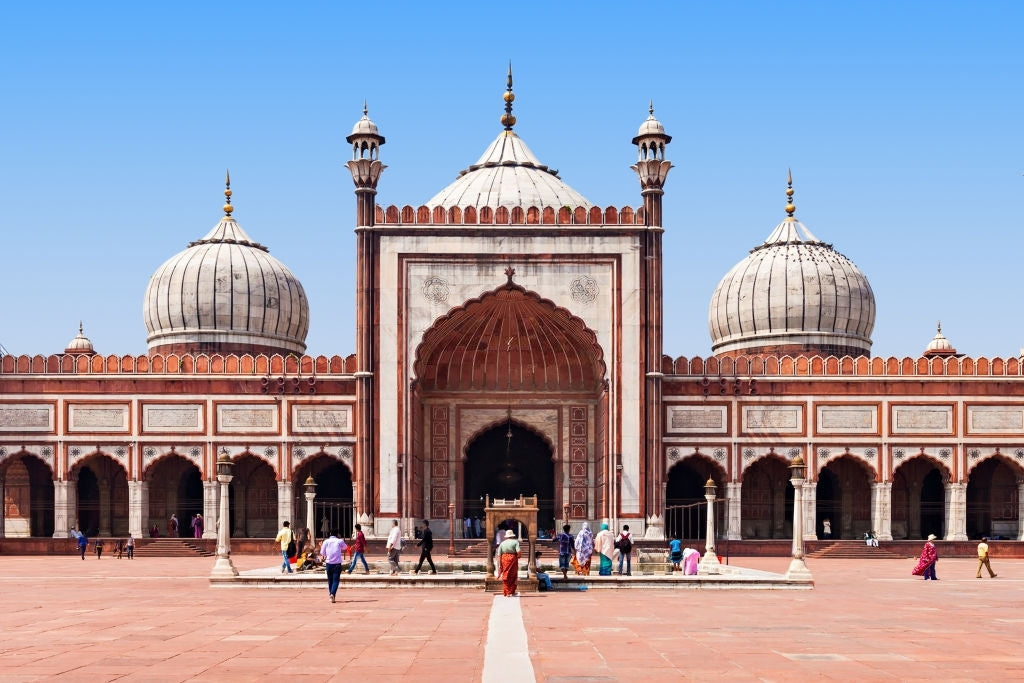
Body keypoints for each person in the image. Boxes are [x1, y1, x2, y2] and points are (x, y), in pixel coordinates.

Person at [319, 529, 348, 603]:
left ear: (330, 533)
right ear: (337, 534)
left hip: (328, 563)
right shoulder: (339, 541)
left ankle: (332, 595)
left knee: (330, 580)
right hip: (337, 563)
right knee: (336, 580)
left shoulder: (326, 541)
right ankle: (332, 594)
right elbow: (345, 547)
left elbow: (322, 552)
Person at [497, 529, 521, 596]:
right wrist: (518, 557)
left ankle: (507, 592)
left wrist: (500, 563)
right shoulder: (515, 542)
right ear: (512, 536)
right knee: (513, 575)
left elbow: (499, 554)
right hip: (513, 558)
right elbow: (518, 552)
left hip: (504, 558)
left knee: (505, 574)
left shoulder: (502, 543)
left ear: (507, 536)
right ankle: (511, 591)